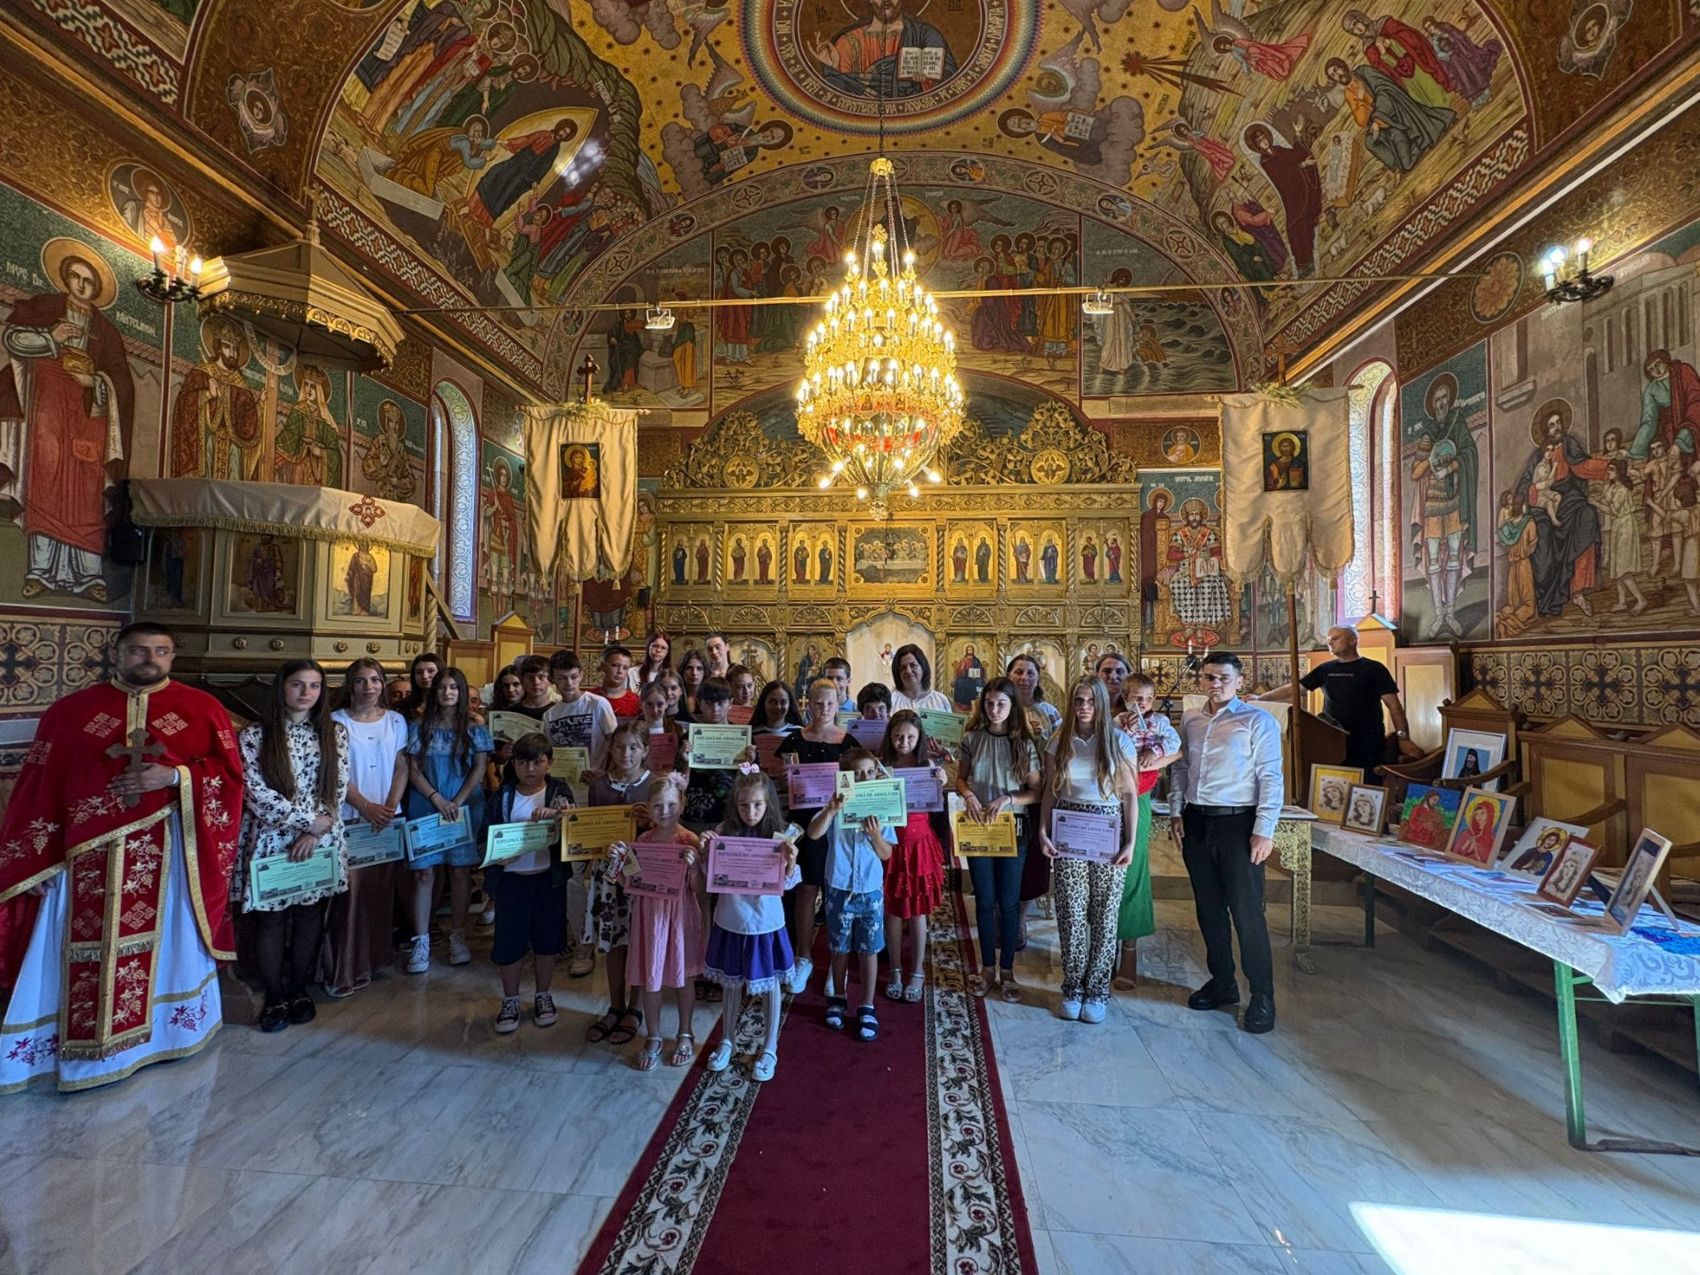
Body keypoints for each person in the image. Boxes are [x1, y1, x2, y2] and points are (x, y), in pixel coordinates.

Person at [0, 622, 243, 1092]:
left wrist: (175, 777)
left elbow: (229, 777)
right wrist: (32, 861)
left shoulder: (202, 709)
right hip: (81, 859)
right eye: (138, 650)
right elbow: (38, 787)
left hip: (169, 855)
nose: (149, 659)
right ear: (116, 654)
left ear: (172, 657)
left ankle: (162, 1037)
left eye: (160, 651)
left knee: (165, 946)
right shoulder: (72, 712)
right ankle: (71, 1052)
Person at [1170, 652, 1284, 1034]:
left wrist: (1264, 829)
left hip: (1239, 823)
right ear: (1200, 680)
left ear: (1239, 681)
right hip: (1197, 820)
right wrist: (1176, 812)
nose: (1215, 683)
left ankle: (1263, 996)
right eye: (1208, 677)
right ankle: (1222, 982)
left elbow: (1271, 776)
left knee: (1247, 914)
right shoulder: (1191, 718)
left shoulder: (1257, 720)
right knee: (1209, 910)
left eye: (1223, 677)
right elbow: (1180, 768)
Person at [238, 659, 350, 1032]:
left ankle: (299, 989)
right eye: (298, 684)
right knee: (271, 919)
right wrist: (303, 822)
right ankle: (274, 995)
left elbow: (338, 786)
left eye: (314, 686)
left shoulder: (334, 732)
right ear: (282, 687)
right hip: (274, 836)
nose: (306, 693)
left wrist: (315, 831)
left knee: (310, 914)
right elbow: (254, 790)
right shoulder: (256, 734)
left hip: (320, 837)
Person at [1038, 677, 1138, 1023]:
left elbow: (1129, 796)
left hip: (1106, 825)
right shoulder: (1058, 740)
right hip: (1069, 825)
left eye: (1091, 701)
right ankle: (1073, 987)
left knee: (1105, 912)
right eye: (1078, 700)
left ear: (1102, 704)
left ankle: (1097, 990)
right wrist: (1043, 831)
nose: (1084, 707)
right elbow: (1051, 791)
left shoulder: (1119, 740)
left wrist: (1130, 842)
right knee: (1071, 910)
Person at [702, 770, 800, 1082]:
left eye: (757, 805)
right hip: (731, 919)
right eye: (743, 805)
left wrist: (791, 862)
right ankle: (727, 1039)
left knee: (770, 985)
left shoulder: (780, 836)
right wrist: (706, 851)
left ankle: (770, 1046)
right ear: (735, 805)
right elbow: (709, 876)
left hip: (765, 923)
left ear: (768, 803)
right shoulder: (724, 832)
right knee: (731, 983)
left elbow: (789, 883)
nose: (750, 812)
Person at [956, 678, 1043, 1002]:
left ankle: (1007, 969)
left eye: (1001, 704)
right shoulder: (972, 737)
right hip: (978, 824)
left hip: (1012, 827)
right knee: (984, 898)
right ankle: (987, 968)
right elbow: (961, 778)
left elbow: (1036, 791)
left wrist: (1008, 798)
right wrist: (968, 795)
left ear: (1012, 706)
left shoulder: (1023, 743)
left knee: (1008, 901)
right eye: (990, 704)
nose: (994, 710)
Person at [326, 658, 409, 999]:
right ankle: (346, 967)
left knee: (379, 893)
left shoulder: (396, 720)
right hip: (351, 817)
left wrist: (388, 807)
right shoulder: (335, 721)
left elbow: (401, 765)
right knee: (350, 895)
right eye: (361, 681)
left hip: (387, 818)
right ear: (350, 685)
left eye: (375, 680)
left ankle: (373, 959)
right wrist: (365, 807)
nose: (368, 687)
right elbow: (334, 771)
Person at [610, 775, 703, 1070]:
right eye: (658, 806)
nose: (664, 811)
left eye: (671, 805)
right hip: (649, 917)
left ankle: (685, 1032)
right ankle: (653, 1035)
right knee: (651, 977)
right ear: (648, 808)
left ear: (682, 805)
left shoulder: (690, 840)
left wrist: (694, 867)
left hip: (679, 917)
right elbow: (630, 881)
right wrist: (619, 861)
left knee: (683, 977)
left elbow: (699, 889)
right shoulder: (643, 841)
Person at [403, 667, 492, 971]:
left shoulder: (475, 724)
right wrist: (436, 798)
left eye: (453, 687)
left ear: (462, 691)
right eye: (442, 687)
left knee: (459, 871)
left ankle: (458, 935)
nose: (447, 693)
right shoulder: (419, 725)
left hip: (463, 803)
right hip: (427, 801)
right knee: (424, 873)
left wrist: (456, 800)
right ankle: (421, 940)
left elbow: (479, 768)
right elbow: (412, 769)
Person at [486, 733, 575, 1033]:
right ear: (514, 764)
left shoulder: (559, 791)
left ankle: (543, 994)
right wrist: (496, 857)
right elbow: (485, 836)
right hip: (512, 881)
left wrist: (559, 815)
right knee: (509, 941)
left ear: (549, 762)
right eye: (523, 762)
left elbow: (574, 825)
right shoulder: (502, 795)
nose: (531, 769)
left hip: (549, 879)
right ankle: (510, 999)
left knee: (547, 940)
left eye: (538, 762)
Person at [810, 748, 895, 1042]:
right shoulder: (835, 803)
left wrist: (875, 835)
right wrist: (831, 809)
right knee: (840, 947)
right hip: (839, 887)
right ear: (845, 776)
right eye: (857, 773)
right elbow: (814, 833)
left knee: (869, 949)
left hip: (870, 889)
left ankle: (867, 1005)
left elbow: (886, 853)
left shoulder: (883, 807)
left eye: (870, 772)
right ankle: (838, 996)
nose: (864, 777)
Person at [1260, 626, 1422, 774]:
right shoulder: (1325, 669)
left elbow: (1394, 706)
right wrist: (1261, 697)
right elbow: (1295, 688)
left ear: (1353, 640)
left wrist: (1403, 738)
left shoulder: (1374, 669)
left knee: (1366, 784)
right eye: (1328, 640)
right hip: (1332, 740)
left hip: (1367, 741)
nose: (1330, 642)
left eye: (1335, 638)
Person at [583, 722, 656, 1048]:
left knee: (639, 940)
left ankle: (635, 1008)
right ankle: (615, 1004)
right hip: (610, 877)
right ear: (610, 749)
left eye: (633, 748)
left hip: (643, 876)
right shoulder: (599, 786)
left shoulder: (654, 785)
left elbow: (667, 828)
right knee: (613, 942)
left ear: (645, 751)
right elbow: (590, 830)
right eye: (619, 747)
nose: (625, 754)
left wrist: (650, 822)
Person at [777, 679, 849, 994]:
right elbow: (786, 782)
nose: (824, 709)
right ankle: (803, 956)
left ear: (838, 704)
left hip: (837, 827)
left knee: (836, 892)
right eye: (818, 703)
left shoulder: (848, 742)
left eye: (830, 703)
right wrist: (787, 778)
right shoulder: (794, 740)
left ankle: (837, 961)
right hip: (803, 824)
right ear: (808, 703)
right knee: (806, 890)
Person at [1113, 673, 1182, 989]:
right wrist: (1121, 733)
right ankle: (1103, 947)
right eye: (1136, 698)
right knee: (1102, 871)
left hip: (1138, 794)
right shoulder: (1114, 721)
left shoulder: (1159, 723)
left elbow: (1176, 748)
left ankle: (1129, 948)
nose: (1142, 704)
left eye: (1147, 699)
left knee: (1132, 868)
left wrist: (1155, 754)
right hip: (1106, 795)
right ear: (1124, 697)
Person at [878, 711, 948, 1002]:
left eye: (909, 737)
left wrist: (941, 781)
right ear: (890, 737)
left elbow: (936, 804)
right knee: (892, 909)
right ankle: (895, 968)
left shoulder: (926, 765)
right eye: (898, 736)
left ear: (919, 738)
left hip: (919, 842)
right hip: (891, 842)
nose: (903, 742)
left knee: (918, 910)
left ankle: (916, 970)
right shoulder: (883, 766)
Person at [543, 651, 619, 772]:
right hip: (563, 776)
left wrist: (607, 773)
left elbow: (616, 742)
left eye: (573, 677)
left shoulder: (597, 704)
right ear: (552, 679)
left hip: (594, 776)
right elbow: (549, 751)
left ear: (581, 675)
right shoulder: (550, 715)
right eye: (562, 678)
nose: (569, 683)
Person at [890, 644, 951, 713]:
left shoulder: (940, 700)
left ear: (923, 667)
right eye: (903, 668)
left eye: (913, 665)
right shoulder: (891, 699)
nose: (908, 671)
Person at [598, 646, 641, 718]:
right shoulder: (588, 698)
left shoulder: (636, 702)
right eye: (615, 665)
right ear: (603, 666)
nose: (620, 671)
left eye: (625, 668)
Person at [402, 651, 442, 720]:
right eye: (419, 672)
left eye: (431, 671)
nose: (424, 676)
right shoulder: (403, 706)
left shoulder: (448, 704)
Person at [677, 649, 708, 717]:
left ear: (705, 671)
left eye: (699, 668)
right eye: (689, 668)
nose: (694, 673)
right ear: (682, 670)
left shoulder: (710, 695)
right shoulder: (675, 695)